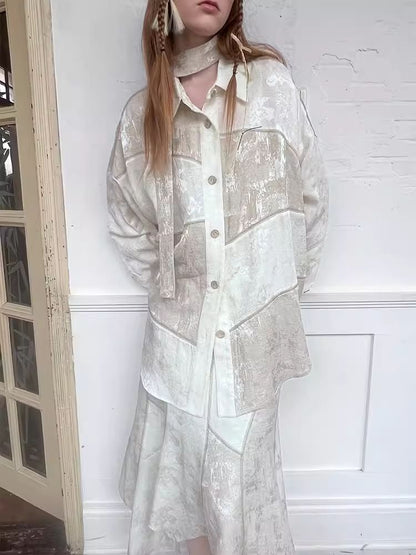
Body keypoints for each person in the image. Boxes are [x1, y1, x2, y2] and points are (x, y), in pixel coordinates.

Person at [106, 1, 329, 554]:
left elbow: (310, 200)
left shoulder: (271, 87)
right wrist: (174, 286)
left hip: (253, 347)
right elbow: (128, 219)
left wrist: (270, 294)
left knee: (240, 502)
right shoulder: (142, 115)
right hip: (177, 348)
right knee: (184, 497)